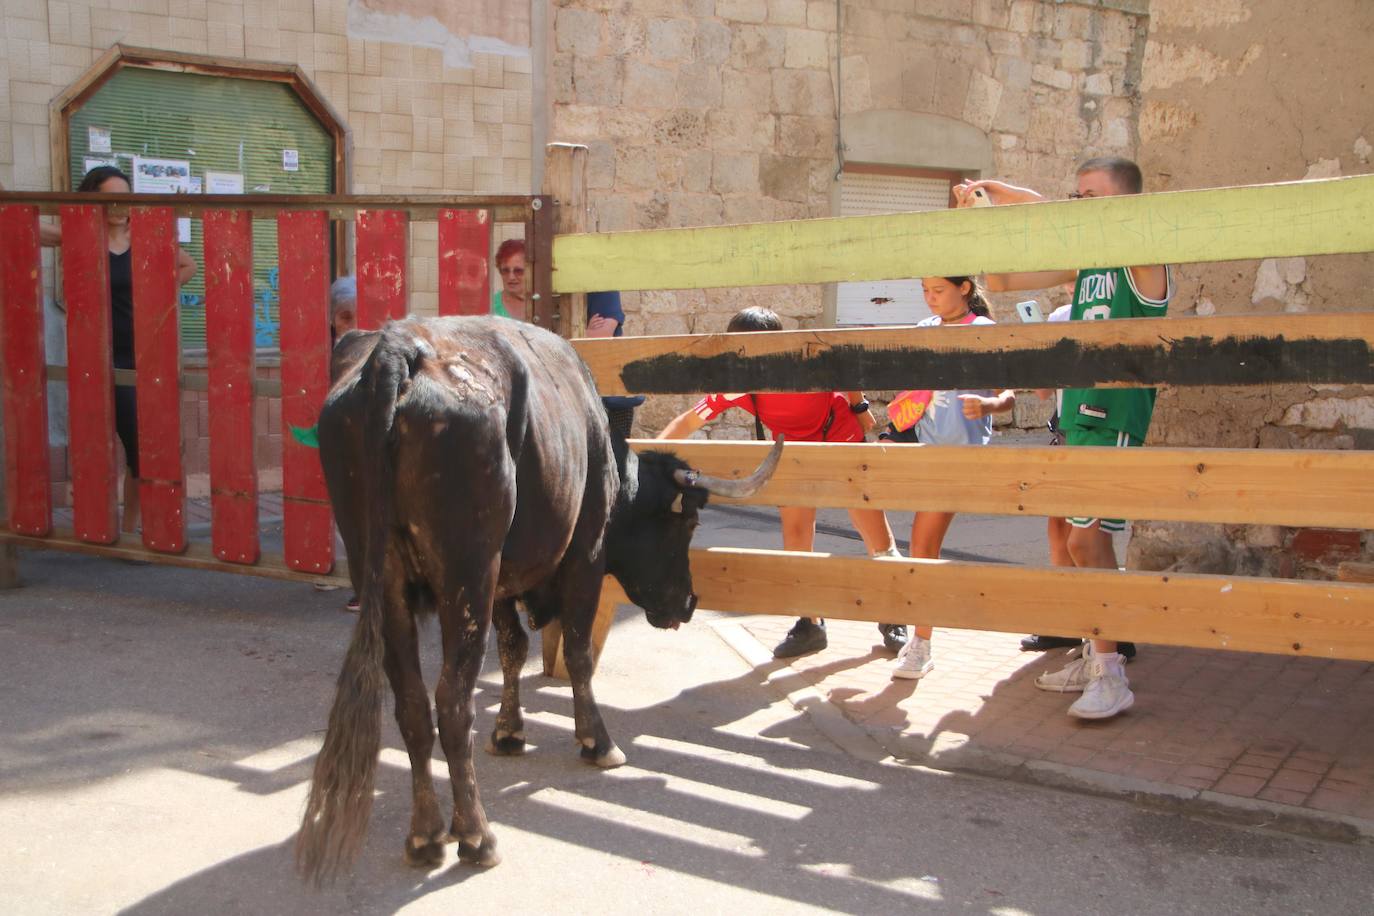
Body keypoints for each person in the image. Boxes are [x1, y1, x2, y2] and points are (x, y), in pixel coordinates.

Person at [960, 156, 1171, 720]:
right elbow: (1003, 281)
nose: (1079, 208)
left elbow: (1091, 227)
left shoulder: (1142, 263)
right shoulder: (1086, 270)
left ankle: (1111, 669)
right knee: (1081, 542)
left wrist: (1010, 193)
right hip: (1076, 413)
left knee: (1086, 542)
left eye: (1091, 197)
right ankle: (1094, 647)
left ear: (1125, 204)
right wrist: (984, 217)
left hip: (1115, 414)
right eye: (1075, 197)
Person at [656, 306, 908, 659]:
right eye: (740, 351)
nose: (748, 360)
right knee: (796, 533)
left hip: (839, 437)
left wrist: (860, 407)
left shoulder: (807, 361)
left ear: (780, 343)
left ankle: (895, 614)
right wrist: (651, 458)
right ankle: (810, 622)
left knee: (871, 527)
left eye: (757, 349)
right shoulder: (736, 385)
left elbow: (844, 367)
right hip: (791, 449)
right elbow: (687, 423)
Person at [42, 166, 197, 537]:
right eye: (110, 198)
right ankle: (99, 525)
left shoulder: (145, 235)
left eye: (124, 197)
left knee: (139, 446)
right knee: (95, 443)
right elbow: (31, 231)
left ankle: (129, 528)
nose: (119, 206)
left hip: (139, 355)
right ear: (93, 198)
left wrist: (158, 288)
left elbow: (187, 265)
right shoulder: (82, 234)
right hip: (93, 356)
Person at [882, 277, 1016, 680]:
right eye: (925, 290)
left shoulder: (984, 332)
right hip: (923, 450)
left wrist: (989, 404)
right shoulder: (925, 330)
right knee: (922, 546)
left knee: (923, 546)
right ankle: (918, 639)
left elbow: (1009, 394)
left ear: (964, 287)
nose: (930, 297)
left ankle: (921, 644)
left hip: (959, 458)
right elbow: (909, 391)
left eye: (938, 289)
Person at [582, 290, 646, 439]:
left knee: (616, 456)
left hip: (610, 399)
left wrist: (582, 334)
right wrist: (584, 334)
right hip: (583, 395)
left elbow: (601, 335)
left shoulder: (604, 289)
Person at [491, 238, 525, 319]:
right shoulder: (490, 306)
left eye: (518, 271)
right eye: (505, 271)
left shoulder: (540, 305)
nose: (511, 277)